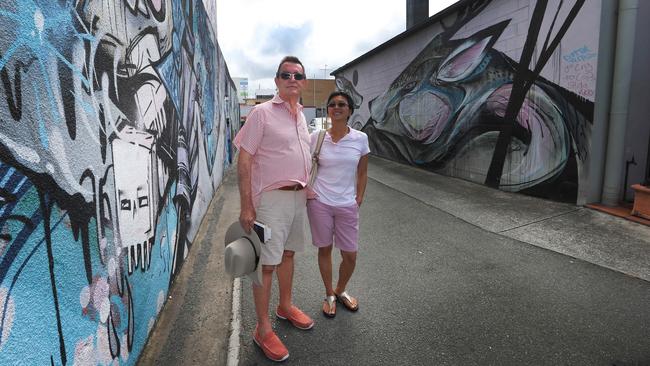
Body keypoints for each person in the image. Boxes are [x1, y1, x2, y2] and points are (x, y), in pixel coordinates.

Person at [233, 56, 313, 362]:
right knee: (266, 264)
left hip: (297, 197)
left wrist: (308, 185)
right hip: (270, 200)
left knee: (288, 254)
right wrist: (246, 205)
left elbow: (300, 155)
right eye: (286, 74)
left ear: (303, 82)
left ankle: (285, 306)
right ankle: (262, 328)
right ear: (277, 81)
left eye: (298, 75)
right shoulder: (261, 113)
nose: (292, 78)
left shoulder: (301, 116)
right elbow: (245, 158)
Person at [307, 91, 370, 318]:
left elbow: (362, 172)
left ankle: (341, 289)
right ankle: (329, 295)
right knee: (324, 249)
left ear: (350, 110)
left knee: (350, 255)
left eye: (342, 104)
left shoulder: (360, 139)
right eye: (332, 104)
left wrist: (359, 197)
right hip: (320, 202)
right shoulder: (316, 137)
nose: (336, 107)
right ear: (328, 110)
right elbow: (304, 163)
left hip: (347, 204)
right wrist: (308, 191)